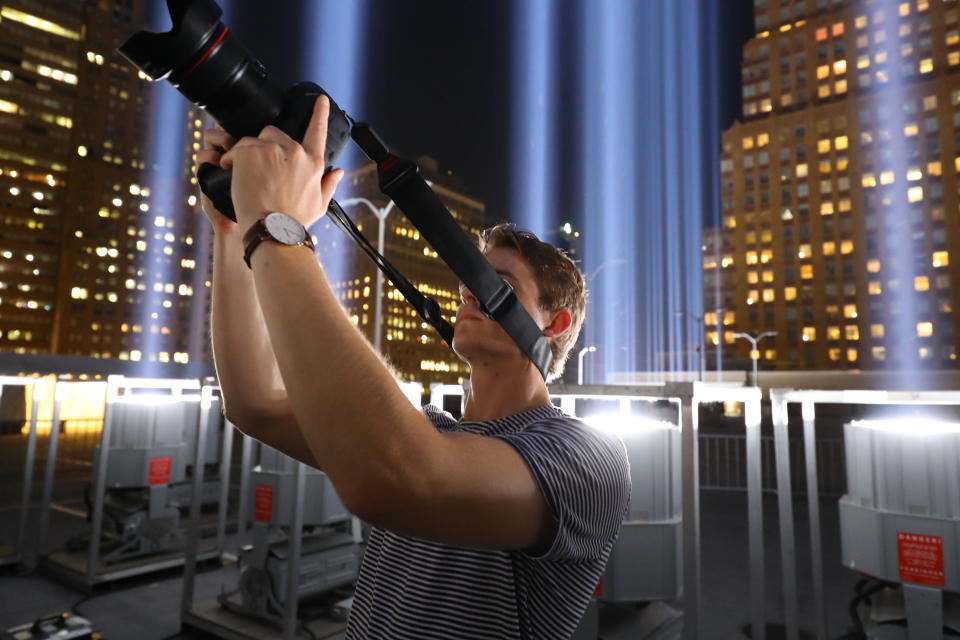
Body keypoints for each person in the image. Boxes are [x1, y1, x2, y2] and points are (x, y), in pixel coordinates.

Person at [197, 95, 631, 639]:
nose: (471, 292)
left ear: (555, 323)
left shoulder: (587, 458)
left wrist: (276, 224)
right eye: (470, 277)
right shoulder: (427, 432)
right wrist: (235, 230)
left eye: (500, 284)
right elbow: (255, 402)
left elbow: (401, 478)